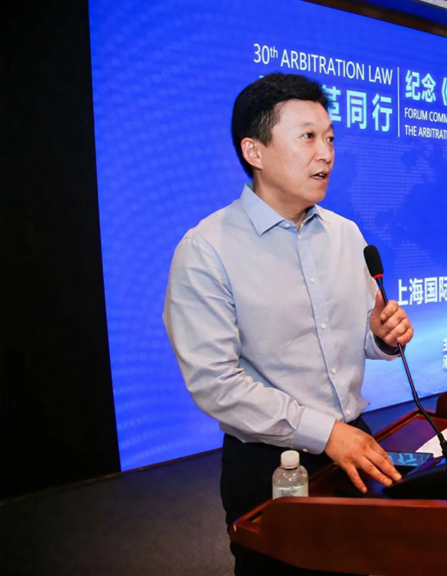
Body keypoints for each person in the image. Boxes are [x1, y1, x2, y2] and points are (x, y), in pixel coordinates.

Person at [163, 73, 412, 575]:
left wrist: (381, 336)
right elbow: (216, 383)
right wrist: (325, 434)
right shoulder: (206, 250)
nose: (326, 154)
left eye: (330, 138)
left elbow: (358, 339)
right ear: (254, 151)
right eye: (308, 137)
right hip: (271, 462)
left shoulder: (345, 234)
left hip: (355, 442)